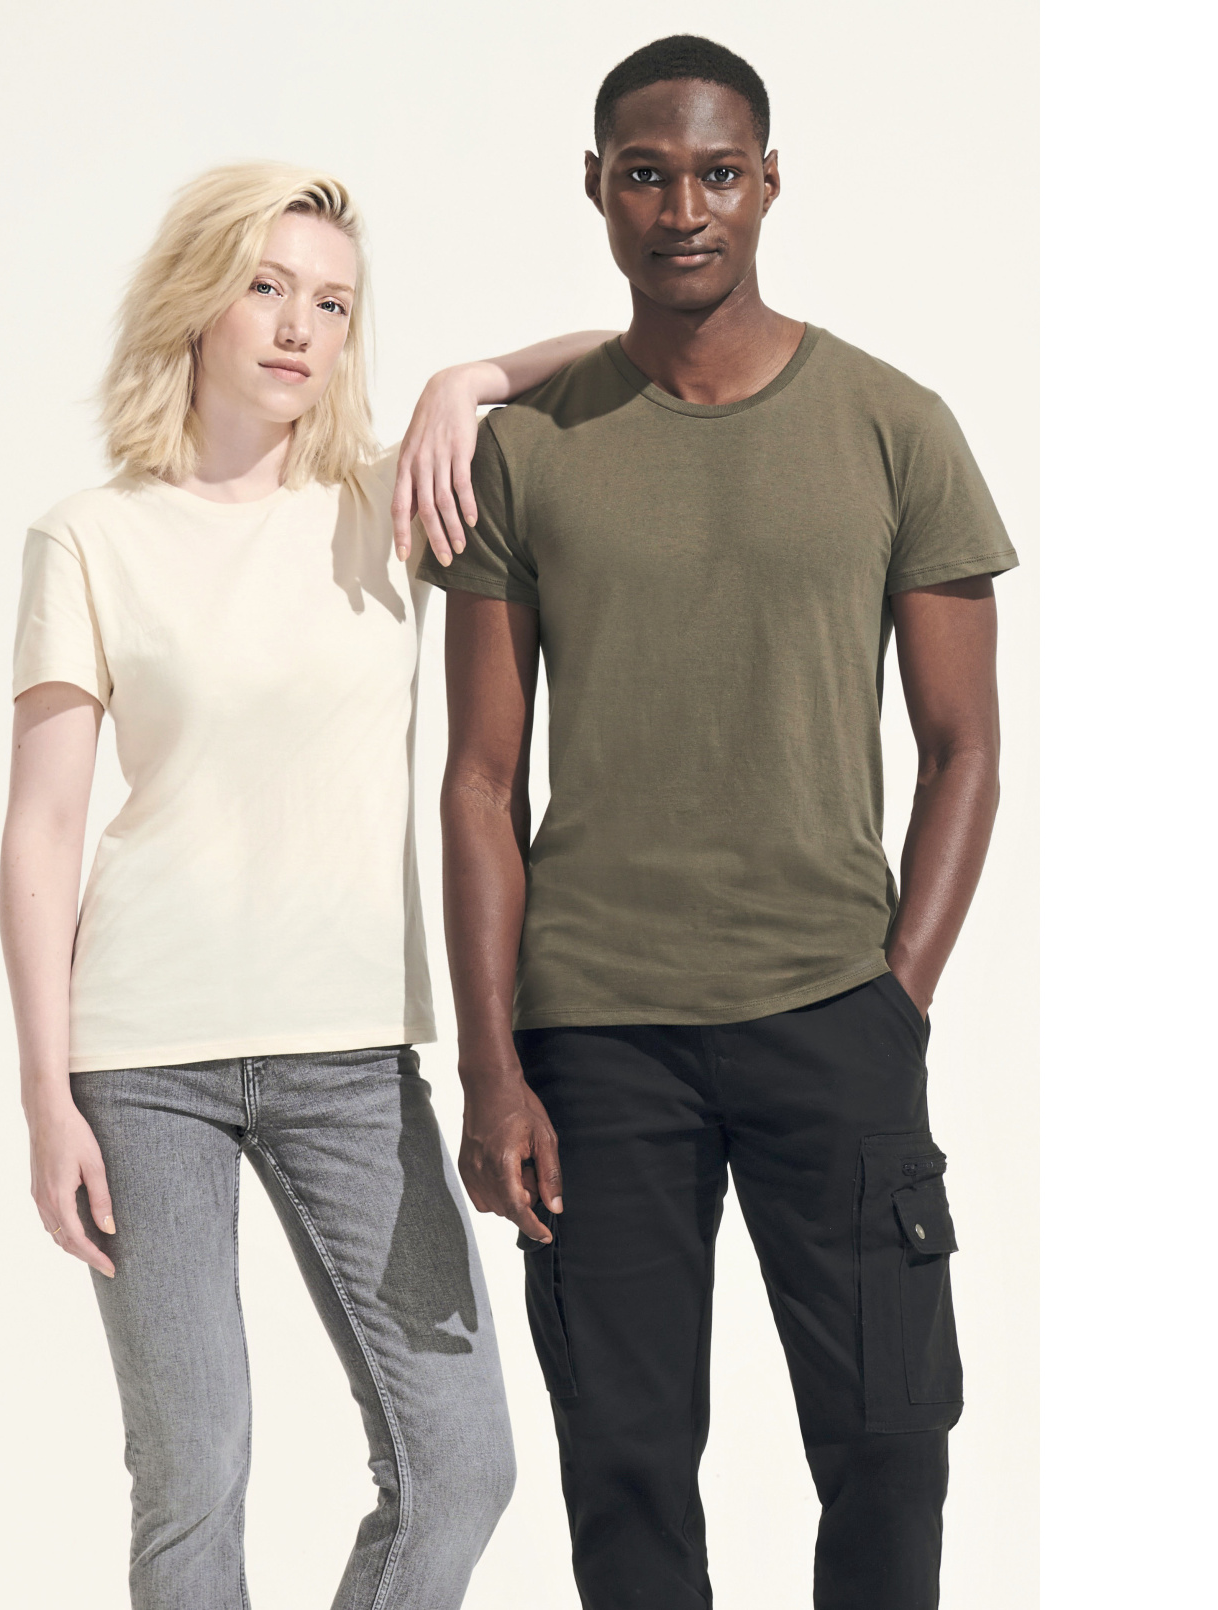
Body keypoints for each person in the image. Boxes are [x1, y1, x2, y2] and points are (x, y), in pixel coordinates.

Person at [419, 34, 1018, 1610]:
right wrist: (492, 1066)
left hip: (832, 1013)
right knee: (625, 1464)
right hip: (596, 1037)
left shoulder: (894, 424)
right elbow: (478, 778)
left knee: (891, 1438)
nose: (683, 208)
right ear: (597, 189)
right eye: (647, 175)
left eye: (717, 173)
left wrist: (896, 999)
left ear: (767, 183)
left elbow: (965, 748)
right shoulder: (525, 450)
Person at [0, 160, 612, 1610]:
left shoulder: (390, 503)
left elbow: (617, 350)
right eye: (266, 287)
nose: (298, 327)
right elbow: (41, 830)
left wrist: (470, 378)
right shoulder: (89, 536)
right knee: (194, 1469)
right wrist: (44, 1098)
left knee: (461, 1465)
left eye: (333, 304)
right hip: (142, 1064)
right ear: (196, 301)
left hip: (354, 1058)